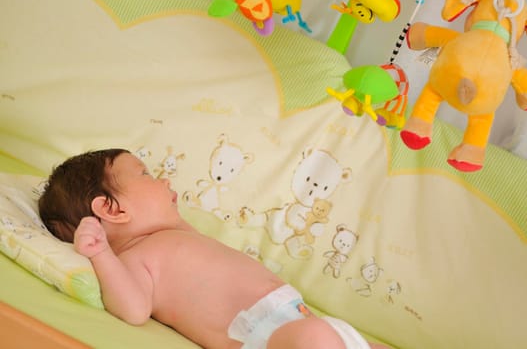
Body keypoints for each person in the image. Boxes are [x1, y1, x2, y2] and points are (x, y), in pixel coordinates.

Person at [38, 149, 389, 349]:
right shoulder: (135, 257)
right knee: (315, 337)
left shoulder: (177, 231)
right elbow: (133, 309)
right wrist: (100, 253)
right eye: (145, 174)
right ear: (112, 210)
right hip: (267, 337)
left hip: (312, 323)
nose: (164, 180)